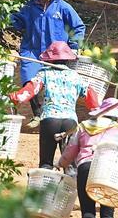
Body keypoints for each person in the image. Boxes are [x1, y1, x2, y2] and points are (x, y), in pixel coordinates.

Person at [9, 0, 86, 128]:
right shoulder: (30, 7)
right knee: (29, 78)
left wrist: (73, 47)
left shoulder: (63, 7)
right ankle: (37, 113)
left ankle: (57, 113)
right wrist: (4, 14)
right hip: (32, 50)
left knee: (55, 81)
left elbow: (78, 27)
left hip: (56, 53)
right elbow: (16, 21)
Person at [9, 41, 99, 169]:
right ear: (68, 60)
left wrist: (15, 97)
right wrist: (98, 112)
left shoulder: (44, 73)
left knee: (46, 163)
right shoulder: (76, 76)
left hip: (49, 120)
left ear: (50, 59)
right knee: (70, 165)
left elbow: (30, 90)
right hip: (70, 123)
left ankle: (45, 179)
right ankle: (71, 181)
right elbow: (90, 95)